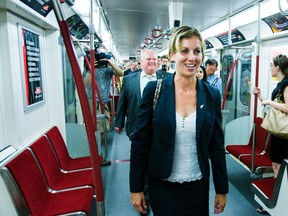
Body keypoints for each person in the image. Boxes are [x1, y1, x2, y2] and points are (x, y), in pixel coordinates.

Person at [130, 26, 228, 216]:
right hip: (161, 185)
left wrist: (221, 189)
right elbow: (140, 142)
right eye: (185, 51)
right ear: (173, 54)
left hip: (197, 186)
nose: (192, 57)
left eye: (197, 51)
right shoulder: (154, 91)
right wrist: (136, 187)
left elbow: (216, 145)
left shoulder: (211, 95)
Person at [253, 54, 288, 214]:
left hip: (284, 135)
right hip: (278, 133)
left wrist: (269, 102)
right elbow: (275, 106)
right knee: (275, 165)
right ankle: (275, 201)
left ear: (278, 67)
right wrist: (261, 96)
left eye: (271, 65)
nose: (270, 69)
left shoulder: (286, 85)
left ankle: (280, 203)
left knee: (280, 167)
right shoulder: (280, 84)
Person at [84, 53, 123, 132]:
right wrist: (92, 70)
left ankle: (98, 143)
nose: (102, 63)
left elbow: (121, 73)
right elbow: (85, 84)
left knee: (104, 126)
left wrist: (111, 63)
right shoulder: (91, 70)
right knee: (99, 127)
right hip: (93, 101)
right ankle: (97, 143)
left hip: (103, 102)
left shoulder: (108, 70)